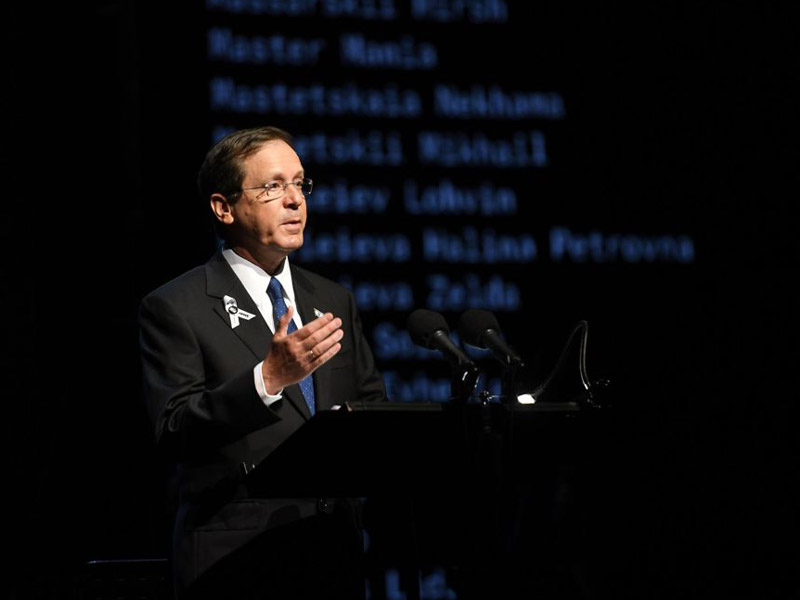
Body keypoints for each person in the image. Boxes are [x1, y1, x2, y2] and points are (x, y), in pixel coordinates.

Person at [138, 125, 387, 599]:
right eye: (272, 186)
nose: (294, 200)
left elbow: (370, 411)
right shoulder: (177, 306)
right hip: (237, 560)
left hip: (334, 555)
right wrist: (267, 379)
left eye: (299, 183)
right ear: (223, 207)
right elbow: (174, 429)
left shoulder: (334, 299)